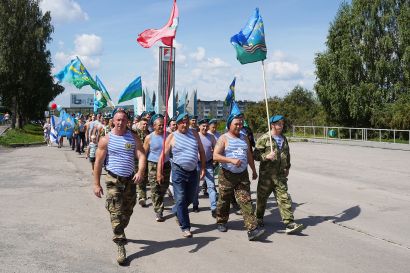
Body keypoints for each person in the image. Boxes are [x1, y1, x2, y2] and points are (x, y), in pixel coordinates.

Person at [93, 108, 146, 265]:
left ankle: (119, 225)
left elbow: (142, 155)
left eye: (123, 120)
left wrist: (141, 171)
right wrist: (96, 184)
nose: (120, 122)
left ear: (127, 122)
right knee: (116, 212)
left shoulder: (133, 137)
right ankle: (120, 244)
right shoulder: (106, 139)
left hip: (129, 179)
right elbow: (98, 163)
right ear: (113, 121)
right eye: (118, 119)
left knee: (128, 210)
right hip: (113, 179)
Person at [213, 113, 265, 241]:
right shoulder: (223, 138)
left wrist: (253, 170)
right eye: (236, 124)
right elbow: (215, 156)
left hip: (242, 175)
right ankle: (221, 221)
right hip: (227, 175)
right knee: (224, 200)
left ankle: (252, 229)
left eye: (241, 123)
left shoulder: (244, 138)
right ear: (229, 124)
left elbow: (249, 156)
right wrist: (230, 160)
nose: (239, 126)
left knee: (246, 200)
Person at [254, 115, 304, 234]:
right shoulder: (265, 138)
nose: (281, 126)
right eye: (278, 124)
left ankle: (289, 223)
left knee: (284, 198)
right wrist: (266, 156)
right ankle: (259, 218)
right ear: (272, 125)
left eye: (282, 124)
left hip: (280, 175)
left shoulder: (283, 138)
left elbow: (287, 154)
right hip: (266, 176)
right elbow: (255, 155)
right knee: (261, 199)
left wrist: (287, 167)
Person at [157, 112, 205, 238]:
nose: (185, 124)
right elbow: (162, 156)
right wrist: (159, 172)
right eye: (182, 122)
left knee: (190, 198)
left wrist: (204, 167)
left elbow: (201, 150)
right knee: (181, 198)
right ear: (177, 124)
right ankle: (186, 227)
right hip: (179, 171)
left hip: (193, 170)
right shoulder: (172, 137)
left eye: (186, 121)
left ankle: (177, 210)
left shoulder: (194, 133)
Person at [143, 114, 170, 222]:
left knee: (164, 187)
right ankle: (159, 211)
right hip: (153, 164)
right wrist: (143, 168)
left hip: (166, 164)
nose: (161, 127)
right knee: (155, 189)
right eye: (159, 125)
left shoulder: (168, 135)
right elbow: (144, 154)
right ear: (154, 126)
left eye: (163, 125)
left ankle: (160, 202)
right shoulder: (149, 137)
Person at [193, 118, 217, 217]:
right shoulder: (195, 136)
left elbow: (216, 149)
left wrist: (215, 159)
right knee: (195, 187)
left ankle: (214, 208)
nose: (205, 128)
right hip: (197, 164)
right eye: (203, 126)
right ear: (199, 127)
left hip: (208, 164)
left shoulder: (211, 137)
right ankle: (195, 205)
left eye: (207, 126)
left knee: (211, 186)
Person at [132, 117, 150, 207]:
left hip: (147, 158)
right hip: (136, 159)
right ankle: (142, 197)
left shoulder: (149, 134)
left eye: (146, 124)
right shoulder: (135, 133)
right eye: (143, 124)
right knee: (139, 176)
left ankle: (140, 193)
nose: (145, 126)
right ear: (139, 124)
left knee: (144, 177)